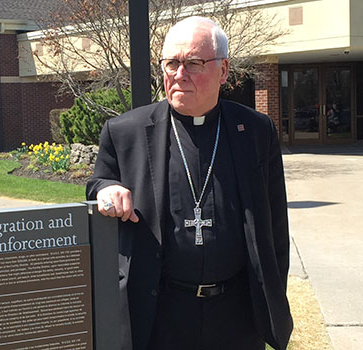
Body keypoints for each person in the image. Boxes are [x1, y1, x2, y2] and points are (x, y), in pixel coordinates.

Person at [86, 16, 293, 350]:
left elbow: (275, 227)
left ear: (223, 71)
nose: (179, 75)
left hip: (236, 314)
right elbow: (99, 182)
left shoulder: (255, 131)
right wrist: (105, 189)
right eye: (171, 64)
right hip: (160, 313)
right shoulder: (124, 131)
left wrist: (271, 296)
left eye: (194, 63)